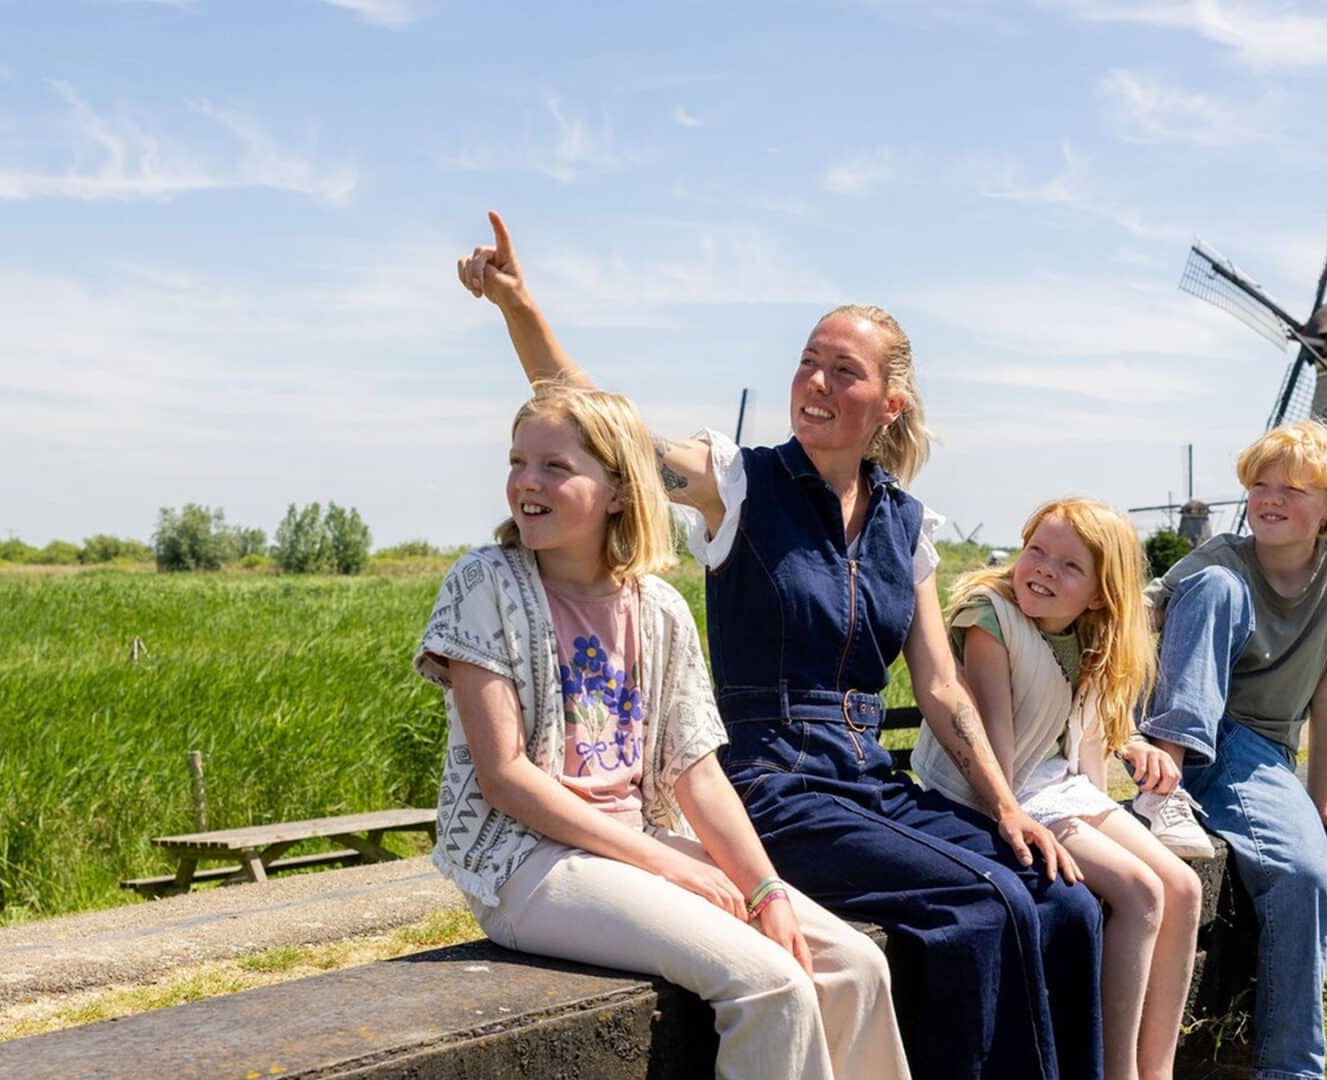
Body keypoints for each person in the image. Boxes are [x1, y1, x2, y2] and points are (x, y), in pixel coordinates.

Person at [456, 211, 1103, 1080]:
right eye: (808, 361)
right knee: (984, 906)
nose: (816, 381)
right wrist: (518, 309)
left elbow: (942, 692)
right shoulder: (739, 486)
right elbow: (607, 435)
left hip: (867, 779)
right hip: (770, 779)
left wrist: (1006, 804)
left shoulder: (905, 525)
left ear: (890, 403)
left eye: (844, 369)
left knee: (1065, 902)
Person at [415, 381, 909, 1080]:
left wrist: (763, 890)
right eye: (517, 462)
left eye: (555, 466)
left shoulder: (659, 608)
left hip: (634, 846)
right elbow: (504, 778)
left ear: (617, 490)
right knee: (770, 984)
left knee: (854, 966)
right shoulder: (483, 584)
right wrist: (669, 865)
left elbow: (697, 774)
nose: (527, 482)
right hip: (526, 864)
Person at [912, 498, 1202, 1080]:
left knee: (1185, 888)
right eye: (1036, 551)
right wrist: (1012, 812)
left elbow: (1082, 727)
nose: (1043, 569)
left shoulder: (1089, 635)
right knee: (1141, 891)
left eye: (1069, 566)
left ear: (1098, 594)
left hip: (1058, 785)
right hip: (999, 788)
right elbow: (996, 747)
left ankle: (1158, 1069)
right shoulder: (990, 621)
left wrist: (1133, 745)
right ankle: (1117, 1070)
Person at [1136, 420, 1327, 1080]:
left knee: (1306, 876)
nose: (1269, 499)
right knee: (1211, 586)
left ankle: (1289, 1067)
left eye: (1293, 488)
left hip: (1259, 753)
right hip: (1179, 730)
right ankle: (1163, 788)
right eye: (1259, 485)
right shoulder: (1221, 557)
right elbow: (1138, 617)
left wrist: (1319, 798)